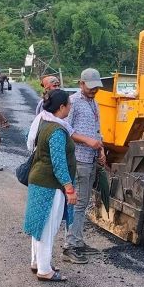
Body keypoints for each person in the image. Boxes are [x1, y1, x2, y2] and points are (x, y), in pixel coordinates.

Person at [24, 90, 77, 282]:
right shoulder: (56, 130)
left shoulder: (43, 121)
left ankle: (37, 262)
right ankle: (45, 270)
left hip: (39, 180)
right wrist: (69, 188)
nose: (70, 107)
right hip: (50, 184)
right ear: (61, 107)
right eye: (69, 104)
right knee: (48, 226)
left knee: (40, 223)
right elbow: (59, 163)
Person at [63, 68, 106, 265]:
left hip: (91, 158)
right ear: (81, 84)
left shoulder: (94, 103)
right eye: (90, 87)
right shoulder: (72, 103)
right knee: (78, 203)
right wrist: (88, 142)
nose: (93, 90)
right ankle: (70, 245)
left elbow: (97, 131)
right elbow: (65, 129)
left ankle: (78, 241)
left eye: (96, 87)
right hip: (79, 158)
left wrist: (101, 150)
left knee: (84, 203)